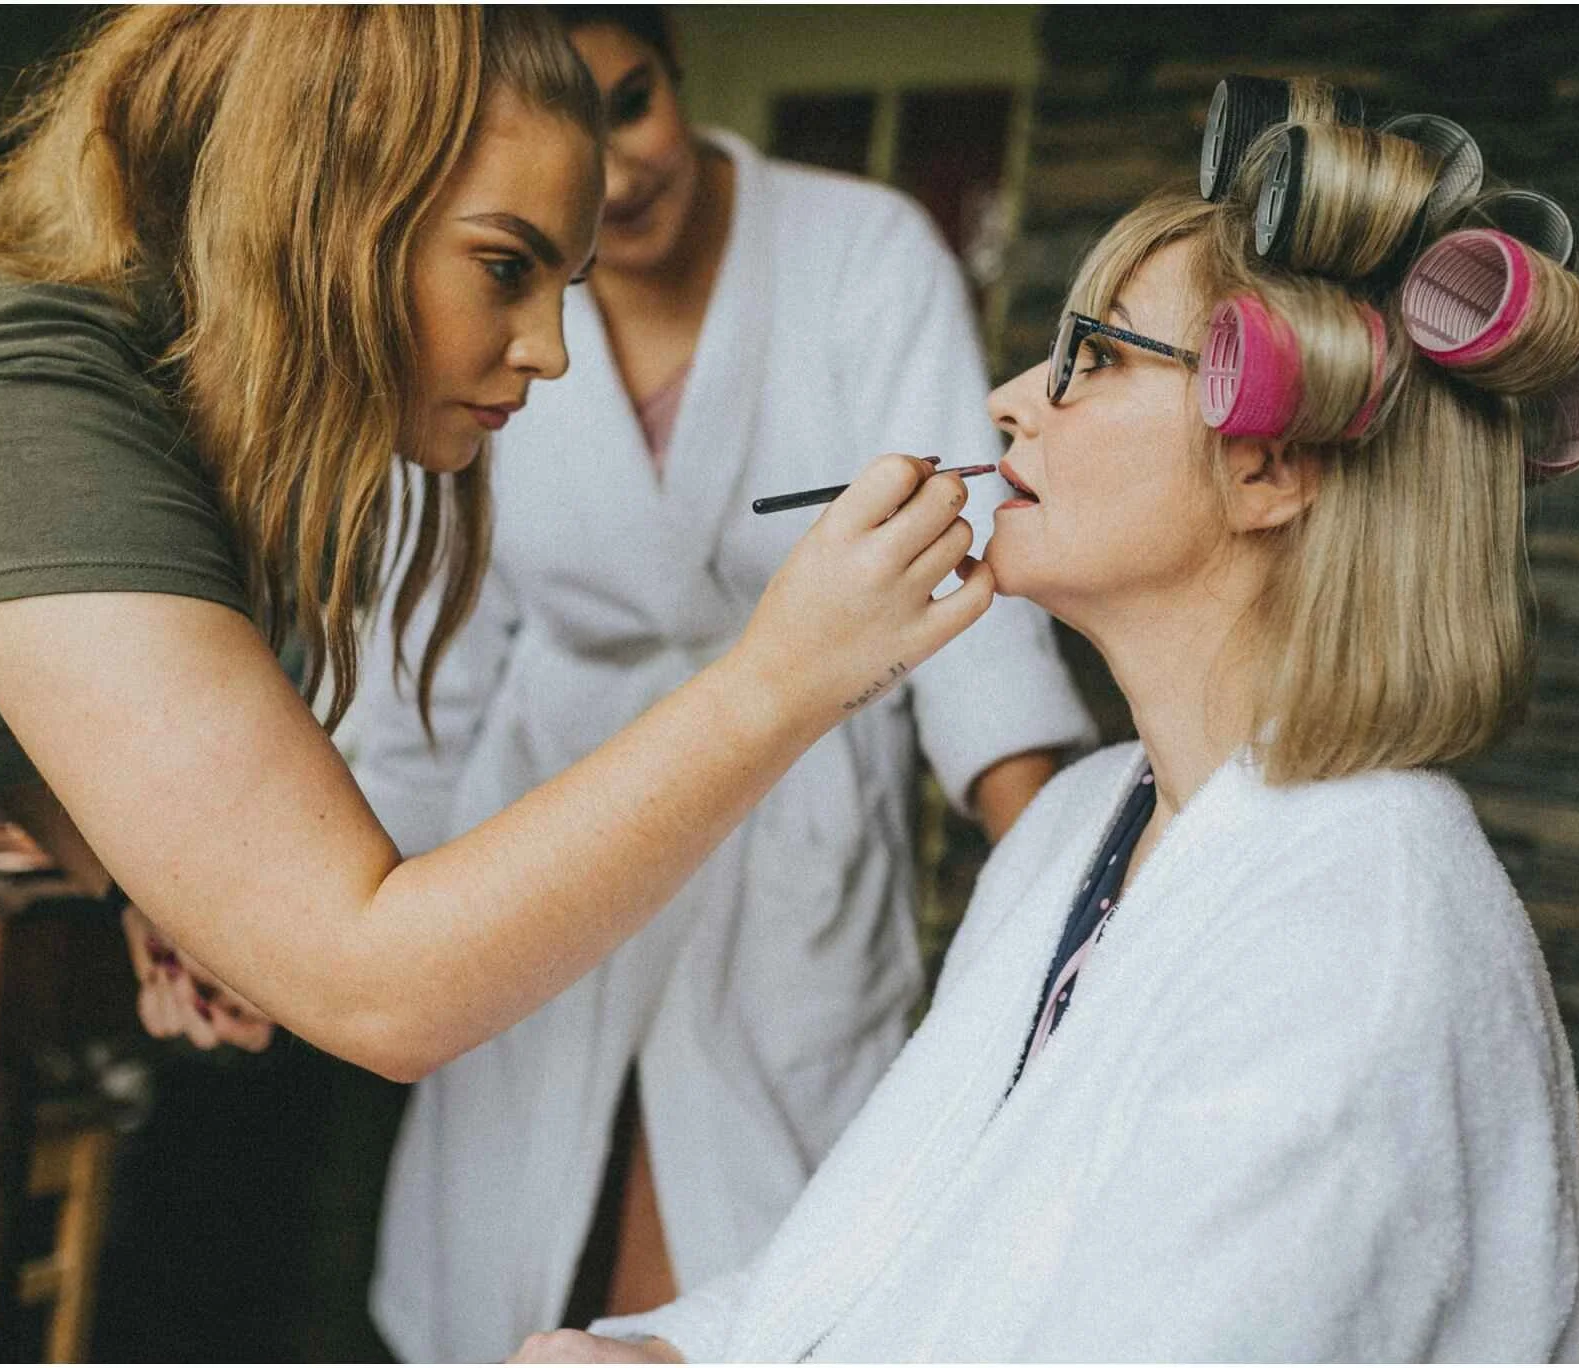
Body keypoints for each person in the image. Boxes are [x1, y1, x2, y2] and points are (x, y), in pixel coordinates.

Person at [0, 8, 993, 1361]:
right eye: (506, 267)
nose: (551, 350)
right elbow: (381, 988)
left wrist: (147, 878)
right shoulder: (20, 412)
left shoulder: (152, 386)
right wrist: (786, 676)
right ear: (329, 204)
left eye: (567, 285)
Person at [515, 81, 1579, 1363]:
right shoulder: (1083, 822)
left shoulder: (1354, 948)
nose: (1008, 399)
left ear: (1266, 467)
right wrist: (670, 1351)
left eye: (1096, 357)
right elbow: (883, 1241)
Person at [345, 9, 1097, 1360]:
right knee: (512, 1231)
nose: (617, 167)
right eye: (569, 126)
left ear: (677, 70)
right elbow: (423, 662)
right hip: (555, 822)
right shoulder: (478, 294)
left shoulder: (860, 249)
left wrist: (1063, 904)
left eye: (629, 101)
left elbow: (968, 580)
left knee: (751, 1263)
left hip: (790, 836)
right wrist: (330, 920)